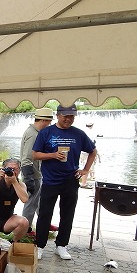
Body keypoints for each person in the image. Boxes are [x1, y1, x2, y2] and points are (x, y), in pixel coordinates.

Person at [32, 104, 97, 260]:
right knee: (45, 214)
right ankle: (39, 246)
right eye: (65, 116)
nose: (68, 119)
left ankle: (61, 245)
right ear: (58, 115)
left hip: (70, 179)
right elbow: (35, 154)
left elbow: (93, 151)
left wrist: (85, 170)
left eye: (71, 117)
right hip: (50, 180)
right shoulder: (46, 132)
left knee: (67, 214)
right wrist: (53, 155)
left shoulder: (78, 134)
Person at [19, 108, 54, 232]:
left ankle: (44, 223)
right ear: (43, 121)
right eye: (49, 122)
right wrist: (29, 178)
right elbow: (26, 158)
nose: (49, 124)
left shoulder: (35, 132)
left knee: (39, 200)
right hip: (32, 174)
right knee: (31, 202)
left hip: (36, 173)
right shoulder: (33, 134)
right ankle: (26, 229)